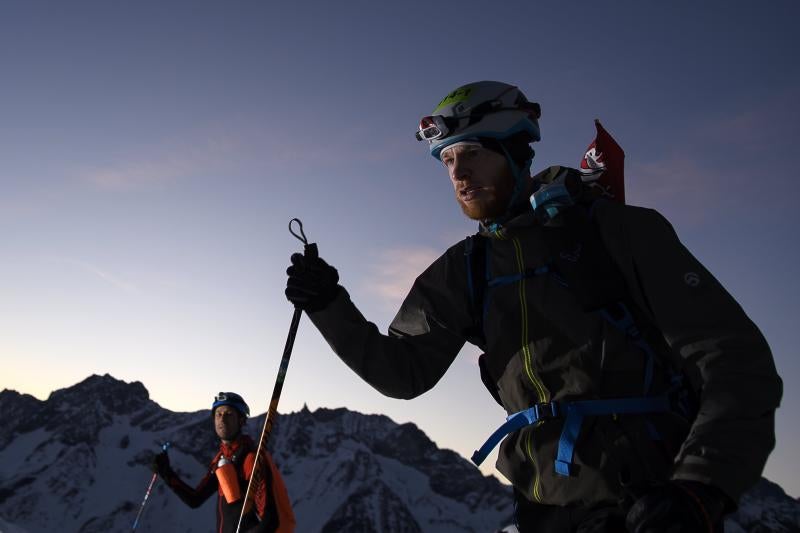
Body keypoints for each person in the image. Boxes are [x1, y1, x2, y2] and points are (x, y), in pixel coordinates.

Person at [284, 81, 783, 532]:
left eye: (473, 153)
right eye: (447, 160)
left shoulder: (617, 232)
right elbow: (404, 373)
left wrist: (701, 488)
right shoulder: (464, 269)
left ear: (515, 150)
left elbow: (733, 360)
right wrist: (330, 304)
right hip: (539, 511)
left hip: (651, 506)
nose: (458, 173)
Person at [152, 392, 295, 533]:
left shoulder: (250, 459)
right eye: (218, 414)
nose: (222, 419)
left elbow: (271, 520)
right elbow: (195, 499)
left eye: (229, 414)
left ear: (241, 420)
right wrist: (166, 472)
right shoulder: (223, 459)